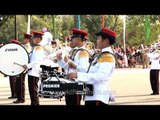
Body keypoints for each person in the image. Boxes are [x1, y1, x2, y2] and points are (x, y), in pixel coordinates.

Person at [68, 28, 116, 105]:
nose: (97, 40)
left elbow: (100, 77)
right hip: (92, 95)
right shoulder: (101, 55)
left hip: (98, 96)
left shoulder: (107, 56)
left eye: (99, 38)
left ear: (106, 40)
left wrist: (78, 75)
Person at [56, 28, 90, 105]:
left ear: (78, 39)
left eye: (73, 38)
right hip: (69, 82)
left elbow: (84, 69)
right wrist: (60, 60)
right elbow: (68, 67)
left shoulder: (83, 52)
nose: (71, 40)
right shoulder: (74, 51)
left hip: (76, 84)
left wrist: (70, 62)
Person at [22, 31, 45, 105]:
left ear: (38, 38)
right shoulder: (35, 47)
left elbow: (37, 60)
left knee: (34, 91)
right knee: (32, 91)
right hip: (31, 72)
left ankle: (35, 104)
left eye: (34, 37)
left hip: (34, 72)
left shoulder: (39, 48)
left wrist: (28, 65)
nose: (33, 39)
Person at [13, 33, 32, 103]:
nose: (23, 40)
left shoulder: (27, 47)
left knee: (21, 83)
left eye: (25, 38)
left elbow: (24, 55)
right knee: (19, 83)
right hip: (20, 66)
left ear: (28, 39)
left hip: (23, 67)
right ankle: (19, 97)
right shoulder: (24, 46)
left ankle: (21, 98)